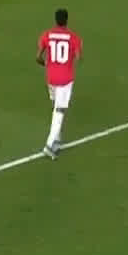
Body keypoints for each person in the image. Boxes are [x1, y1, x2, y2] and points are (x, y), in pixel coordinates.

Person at [37, 9, 81, 159]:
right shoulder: (73, 37)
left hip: (51, 78)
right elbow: (78, 57)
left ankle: (56, 138)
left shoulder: (47, 35)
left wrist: (47, 64)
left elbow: (38, 57)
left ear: (55, 20)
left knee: (55, 107)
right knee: (60, 110)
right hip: (65, 79)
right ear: (66, 20)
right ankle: (49, 145)